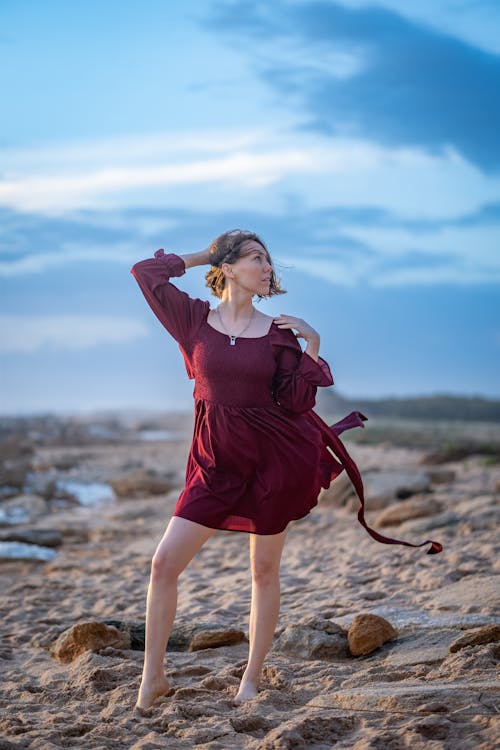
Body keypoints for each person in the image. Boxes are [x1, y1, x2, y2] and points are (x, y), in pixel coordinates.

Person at [130, 229, 442, 712]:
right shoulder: (193, 320)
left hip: (272, 462)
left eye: (269, 261)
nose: (267, 267)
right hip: (213, 465)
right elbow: (145, 273)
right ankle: (153, 679)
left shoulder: (278, 334)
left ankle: (251, 679)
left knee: (263, 569)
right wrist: (201, 255)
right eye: (256, 258)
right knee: (163, 564)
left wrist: (312, 344)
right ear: (229, 267)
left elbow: (297, 401)